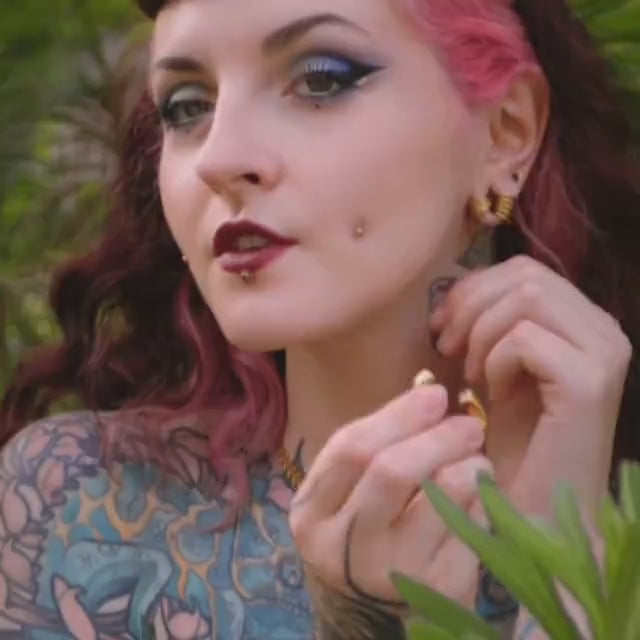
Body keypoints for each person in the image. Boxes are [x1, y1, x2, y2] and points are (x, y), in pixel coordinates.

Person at [1, 0, 639, 638]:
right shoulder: (68, 504)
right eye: (188, 107)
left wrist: (568, 574)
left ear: (505, 133)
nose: (218, 159)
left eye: (320, 79)